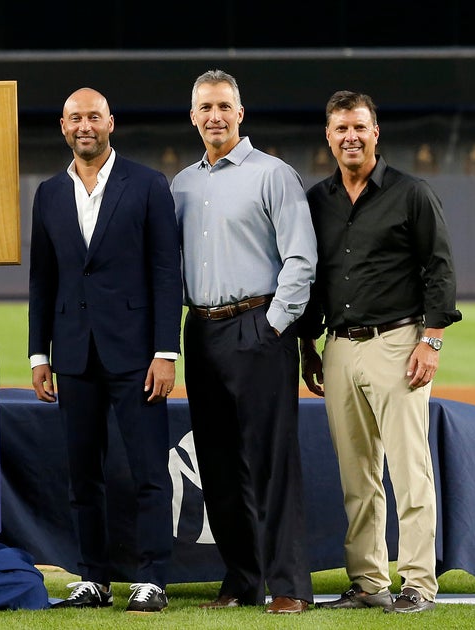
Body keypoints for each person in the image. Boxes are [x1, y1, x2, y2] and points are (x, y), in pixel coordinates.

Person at [300, 91, 461, 614]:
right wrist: (308, 344)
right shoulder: (317, 199)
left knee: (409, 471)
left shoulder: (411, 193)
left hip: (398, 343)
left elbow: (439, 267)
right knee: (357, 475)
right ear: (328, 136)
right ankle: (369, 583)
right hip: (340, 346)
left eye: (359, 128)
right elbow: (316, 279)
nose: (350, 136)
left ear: (375, 133)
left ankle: (418, 584)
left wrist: (430, 342)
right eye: (341, 128)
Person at [27, 88, 182, 614]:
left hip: (137, 355)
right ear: (63, 126)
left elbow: (166, 273)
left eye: (94, 116)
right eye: (75, 118)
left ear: (110, 122)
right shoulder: (49, 192)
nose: (85, 125)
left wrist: (166, 351)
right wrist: (37, 354)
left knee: (147, 471)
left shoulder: (147, 184)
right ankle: (93, 578)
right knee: (82, 475)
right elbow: (42, 281)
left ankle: (151, 577)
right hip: (72, 354)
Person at [169, 69, 318, 614]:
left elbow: (301, 257)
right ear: (192, 116)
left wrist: (275, 324)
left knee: (271, 461)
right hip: (201, 330)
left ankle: (289, 586)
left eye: (224, 106)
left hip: (257, 325)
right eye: (205, 107)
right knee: (218, 464)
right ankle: (242, 580)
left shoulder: (273, 175)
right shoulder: (181, 185)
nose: (215, 115)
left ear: (240, 113)